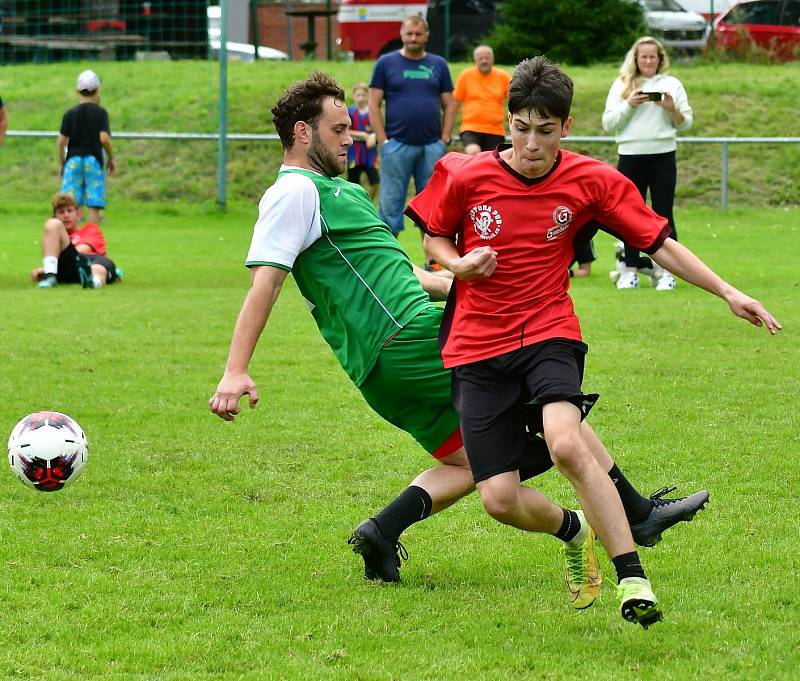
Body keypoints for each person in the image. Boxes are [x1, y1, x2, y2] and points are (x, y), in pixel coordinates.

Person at [208, 72, 712, 621]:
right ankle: (634, 513)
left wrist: (458, 279)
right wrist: (236, 370)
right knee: (545, 392)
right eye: (338, 129)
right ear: (302, 133)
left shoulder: (336, 192)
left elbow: (392, 272)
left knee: (478, 463)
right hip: (410, 338)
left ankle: (389, 529)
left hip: (378, 366)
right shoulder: (294, 192)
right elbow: (267, 281)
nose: (351, 136)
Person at [407, 56, 780, 628]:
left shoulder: (591, 180)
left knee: (564, 441)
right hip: (477, 346)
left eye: (546, 131)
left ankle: (633, 577)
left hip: (549, 330)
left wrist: (728, 291)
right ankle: (576, 528)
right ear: (508, 122)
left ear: (567, 128)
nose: (532, 143)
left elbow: (659, 242)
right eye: (521, 128)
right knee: (499, 500)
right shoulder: (465, 174)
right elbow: (434, 237)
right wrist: (460, 265)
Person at [602, 36, 692, 291]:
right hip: (630, 155)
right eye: (644, 56)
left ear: (660, 59)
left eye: (653, 56)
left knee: (664, 214)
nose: (649, 61)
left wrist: (671, 108)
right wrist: (629, 104)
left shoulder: (672, 84)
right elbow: (609, 123)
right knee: (630, 214)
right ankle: (630, 270)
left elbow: (685, 123)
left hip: (663, 154)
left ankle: (667, 273)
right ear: (636, 59)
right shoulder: (622, 84)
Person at [368, 15, 457, 270]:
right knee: (389, 206)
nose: (414, 38)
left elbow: (450, 104)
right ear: (402, 34)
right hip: (396, 147)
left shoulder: (438, 64)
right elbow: (374, 104)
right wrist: (384, 140)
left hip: (432, 147)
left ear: (426, 35)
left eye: (418, 34)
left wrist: (445, 138)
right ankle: (384, 265)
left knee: (432, 208)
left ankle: (434, 264)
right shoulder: (386, 63)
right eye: (409, 34)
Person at [58, 69, 116, 226]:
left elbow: (62, 141)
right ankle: (91, 241)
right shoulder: (101, 113)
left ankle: (70, 239)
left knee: (69, 202)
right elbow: (103, 138)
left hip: (73, 160)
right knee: (94, 202)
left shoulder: (69, 113)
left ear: (78, 90)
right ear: (97, 89)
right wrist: (111, 157)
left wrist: (61, 163)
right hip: (93, 160)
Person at [32, 192, 122, 289]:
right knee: (51, 224)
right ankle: (50, 277)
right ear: (55, 216)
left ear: (78, 214)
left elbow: (83, 251)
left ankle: (93, 282)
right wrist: (49, 268)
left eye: (69, 211)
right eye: (61, 212)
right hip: (66, 268)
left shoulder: (90, 229)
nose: (66, 215)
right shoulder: (54, 232)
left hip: (91, 260)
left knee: (96, 268)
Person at [453, 45, 511, 155]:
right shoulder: (466, 75)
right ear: (475, 60)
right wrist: (448, 128)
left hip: (495, 130)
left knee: (492, 160)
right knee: (474, 152)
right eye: (480, 58)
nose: (484, 61)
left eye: (487, 58)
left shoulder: (503, 76)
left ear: (492, 59)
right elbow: (455, 103)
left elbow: (515, 101)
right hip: (471, 128)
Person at [347, 82, 380, 203]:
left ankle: (368, 203)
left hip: (370, 153)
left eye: (363, 95)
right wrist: (364, 135)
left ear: (368, 96)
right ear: (354, 96)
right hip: (354, 153)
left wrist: (374, 135)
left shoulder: (373, 113)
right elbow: (346, 131)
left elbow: (379, 130)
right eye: (358, 95)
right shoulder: (350, 112)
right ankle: (356, 205)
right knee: (352, 183)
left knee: (375, 181)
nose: (360, 98)